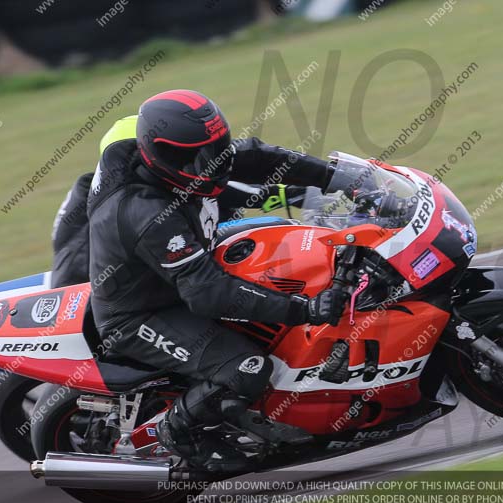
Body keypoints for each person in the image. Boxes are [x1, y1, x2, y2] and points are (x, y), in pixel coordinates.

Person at [87, 89, 348, 471]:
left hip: (183, 262)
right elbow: (207, 293)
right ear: (159, 153)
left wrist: (334, 176)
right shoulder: (145, 213)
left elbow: (254, 157)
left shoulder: (178, 154)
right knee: (249, 366)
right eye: (194, 158)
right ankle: (180, 431)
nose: (209, 165)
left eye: (215, 150)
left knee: (286, 242)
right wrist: (305, 310)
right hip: (143, 312)